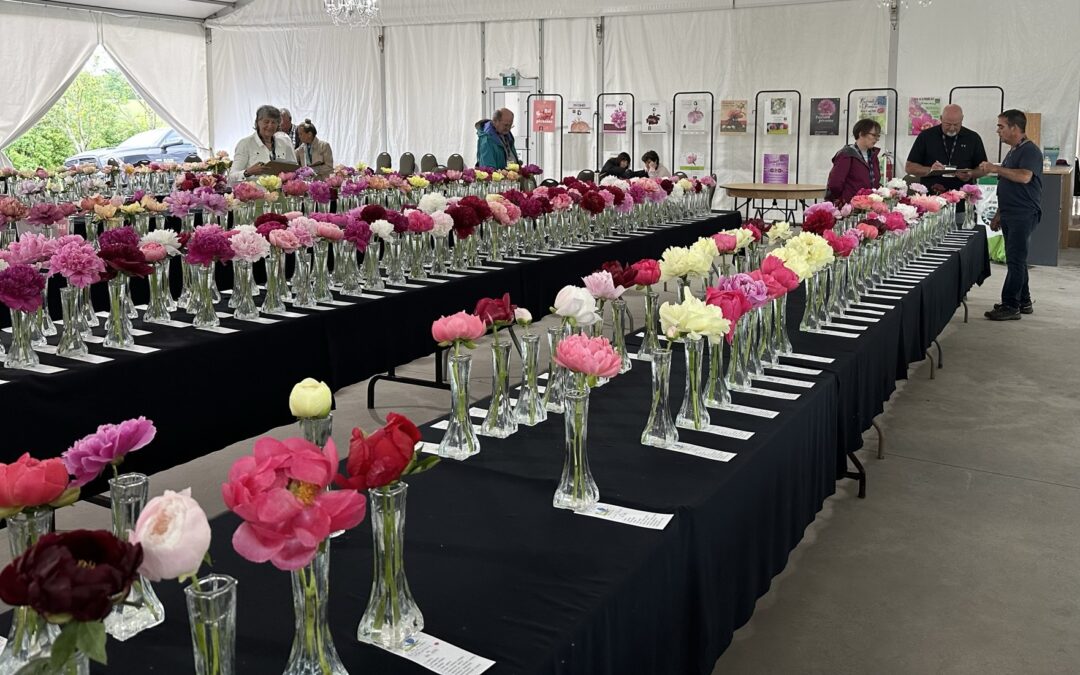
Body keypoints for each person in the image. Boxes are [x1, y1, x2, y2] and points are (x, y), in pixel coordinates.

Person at [979, 109, 1043, 321]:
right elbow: (1008, 185)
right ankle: (1024, 301)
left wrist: (995, 169)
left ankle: (1010, 304)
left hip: (1023, 213)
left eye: (1001, 126)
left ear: (1015, 128)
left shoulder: (1030, 151)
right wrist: (999, 213)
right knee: (1018, 259)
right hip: (1010, 212)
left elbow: (1024, 177)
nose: (998, 131)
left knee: (1015, 260)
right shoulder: (1014, 151)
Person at [905, 104, 989, 222]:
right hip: (931, 203)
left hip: (961, 205)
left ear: (962, 119)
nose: (952, 128)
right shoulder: (926, 136)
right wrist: (931, 170)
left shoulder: (973, 138)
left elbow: (983, 169)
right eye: (948, 124)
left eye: (956, 124)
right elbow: (909, 167)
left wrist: (970, 174)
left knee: (960, 236)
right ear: (941, 118)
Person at [230, 104, 298, 182]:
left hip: (280, 193)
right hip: (256, 193)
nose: (270, 126)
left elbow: (294, 169)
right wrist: (248, 172)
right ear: (257, 123)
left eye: (274, 122)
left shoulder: (285, 142)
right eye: (266, 122)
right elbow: (232, 177)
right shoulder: (245, 144)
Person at [826, 119, 882, 204]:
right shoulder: (847, 155)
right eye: (874, 135)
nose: (876, 139)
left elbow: (875, 181)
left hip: (869, 205)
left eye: (878, 136)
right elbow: (835, 184)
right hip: (850, 206)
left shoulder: (873, 156)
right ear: (861, 134)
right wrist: (843, 200)